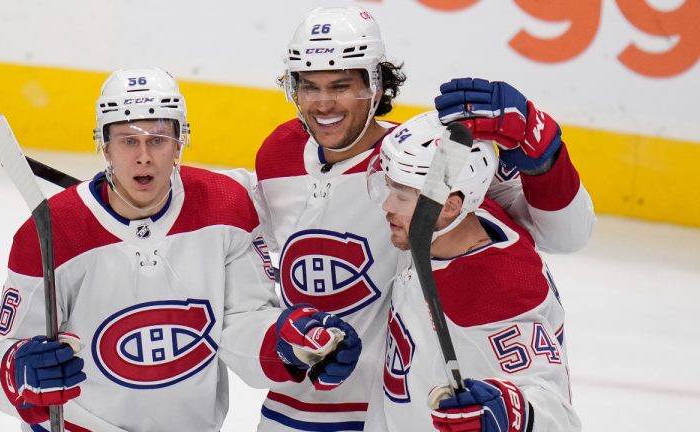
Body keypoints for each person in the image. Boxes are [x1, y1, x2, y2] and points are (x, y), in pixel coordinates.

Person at [251, 5, 593, 431]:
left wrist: (543, 157)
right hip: (295, 404)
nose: (322, 103)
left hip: (381, 409)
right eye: (309, 86)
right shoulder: (278, 152)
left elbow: (565, 235)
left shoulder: (424, 164)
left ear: (377, 86)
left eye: (341, 86)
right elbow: (262, 269)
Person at [0, 67, 362, 432]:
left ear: (179, 143)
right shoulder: (56, 231)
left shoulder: (224, 207)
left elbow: (240, 321)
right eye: (128, 141)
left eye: (157, 140)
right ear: (104, 147)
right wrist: (16, 370)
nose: (143, 156)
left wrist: (285, 342)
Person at [363, 111, 581, 431]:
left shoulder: (497, 289)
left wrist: (513, 411)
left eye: (402, 195)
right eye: (389, 187)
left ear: (450, 205)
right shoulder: (458, 221)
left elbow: (558, 416)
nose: (387, 206)